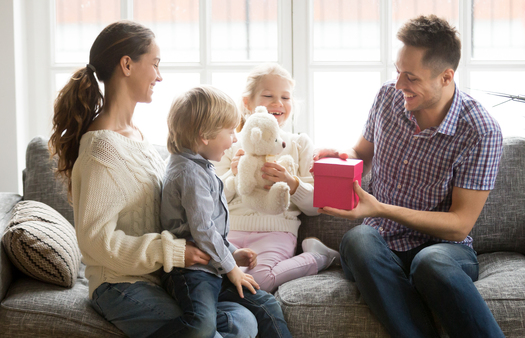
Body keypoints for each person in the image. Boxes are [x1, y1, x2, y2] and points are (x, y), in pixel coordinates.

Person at [49, 21, 257, 338]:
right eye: (155, 64)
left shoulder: (139, 138)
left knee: (245, 321)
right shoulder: (101, 149)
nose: (159, 76)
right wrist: (172, 252)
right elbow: (95, 242)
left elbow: (177, 211)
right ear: (127, 65)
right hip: (118, 285)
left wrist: (222, 254)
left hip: (155, 279)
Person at [314, 15, 505, 338]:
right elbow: (362, 153)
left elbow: (459, 226)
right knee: (358, 240)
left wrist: (380, 209)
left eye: (411, 77)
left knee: (430, 263)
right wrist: (344, 157)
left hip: (444, 249)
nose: (399, 84)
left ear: (446, 77)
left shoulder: (480, 131)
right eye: (398, 71)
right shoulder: (387, 99)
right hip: (378, 247)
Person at [160, 85, 292, 338]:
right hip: (192, 274)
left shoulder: (199, 166)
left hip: (212, 267)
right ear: (204, 135)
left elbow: (209, 229)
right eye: (230, 132)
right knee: (200, 325)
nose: (234, 139)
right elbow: (202, 230)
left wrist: (233, 253)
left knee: (266, 304)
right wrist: (231, 267)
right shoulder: (189, 172)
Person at [214, 63, 340, 293]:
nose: (278, 103)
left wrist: (293, 185)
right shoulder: (231, 143)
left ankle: (318, 256)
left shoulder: (299, 144)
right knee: (219, 283)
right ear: (247, 103)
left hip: (276, 231)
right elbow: (212, 198)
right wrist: (233, 173)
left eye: (285, 97)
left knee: (259, 282)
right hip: (231, 230)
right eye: (268, 95)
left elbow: (316, 206)